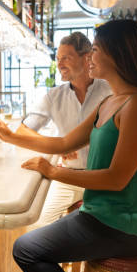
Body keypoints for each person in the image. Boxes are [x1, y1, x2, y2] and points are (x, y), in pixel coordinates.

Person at [0, 19, 137, 272]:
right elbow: (63, 142)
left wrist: (52, 171)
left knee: (27, 249)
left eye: (96, 49)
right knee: (36, 242)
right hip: (101, 213)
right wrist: (9, 135)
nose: (92, 57)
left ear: (116, 53)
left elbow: (116, 179)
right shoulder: (111, 102)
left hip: (127, 226)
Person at [18, 32, 111, 228]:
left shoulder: (110, 91)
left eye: (66, 58)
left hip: (102, 179)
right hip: (67, 176)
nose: (59, 64)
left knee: (98, 233)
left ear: (86, 58)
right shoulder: (54, 96)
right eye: (58, 59)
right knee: (37, 226)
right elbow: (24, 130)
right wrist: (58, 146)